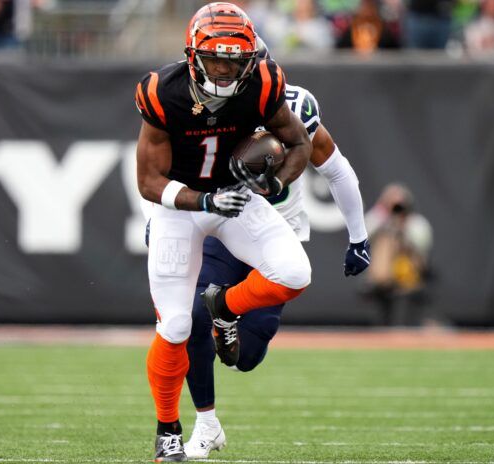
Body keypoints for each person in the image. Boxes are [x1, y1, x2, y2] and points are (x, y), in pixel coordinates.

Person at [134, 3, 313, 461]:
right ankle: (167, 429)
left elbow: (298, 143)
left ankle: (224, 309)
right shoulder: (162, 92)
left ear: (249, 59)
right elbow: (149, 183)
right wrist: (203, 200)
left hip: (236, 198)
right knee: (174, 324)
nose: (224, 69)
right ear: (193, 56)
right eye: (215, 59)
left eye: (234, 61)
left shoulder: (265, 82)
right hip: (180, 205)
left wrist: (275, 182)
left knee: (294, 273)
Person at [182, 38, 371, 460]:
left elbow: (337, 171)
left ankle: (227, 310)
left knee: (245, 356)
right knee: (194, 318)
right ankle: (205, 425)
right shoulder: (215, 109)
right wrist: (161, 220)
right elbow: (174, 165)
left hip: (277, 235)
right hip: (227, 226)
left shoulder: (297, 107)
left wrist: (358, 236)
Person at [364, 183, 432, 326]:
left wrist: (402, 227)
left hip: (408, 277)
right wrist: (382, 211)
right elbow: (362, 234)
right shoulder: (381, 222)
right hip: (382, 279)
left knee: (393, 241)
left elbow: (422, 246)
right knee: (385, 241)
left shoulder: (416, 223)